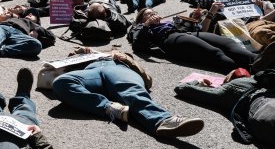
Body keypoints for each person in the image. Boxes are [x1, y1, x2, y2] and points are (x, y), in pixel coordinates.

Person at [52, 48, 204, 138]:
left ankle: (163, 120)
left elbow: (147, 80)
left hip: (118, 70)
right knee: (61, 82)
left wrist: (126, 59)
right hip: (92, 73)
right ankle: (109, 107)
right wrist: (77, 55)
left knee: (131, 91)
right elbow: (57, 70)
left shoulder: (122, 59)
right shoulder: (86, 58)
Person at [128, 4, 275, 74]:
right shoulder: (139, 27)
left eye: (153, 12)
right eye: (148, 14)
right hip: (171, 40)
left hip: (187, 33)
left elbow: (200, 29)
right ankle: (251, 70)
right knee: (214, 53)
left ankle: (259, 59)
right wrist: (147, 24)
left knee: (228, 43)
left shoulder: (169, 21)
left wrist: (198, 17)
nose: (153, 15)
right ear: (141, 19)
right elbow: (138, 44)